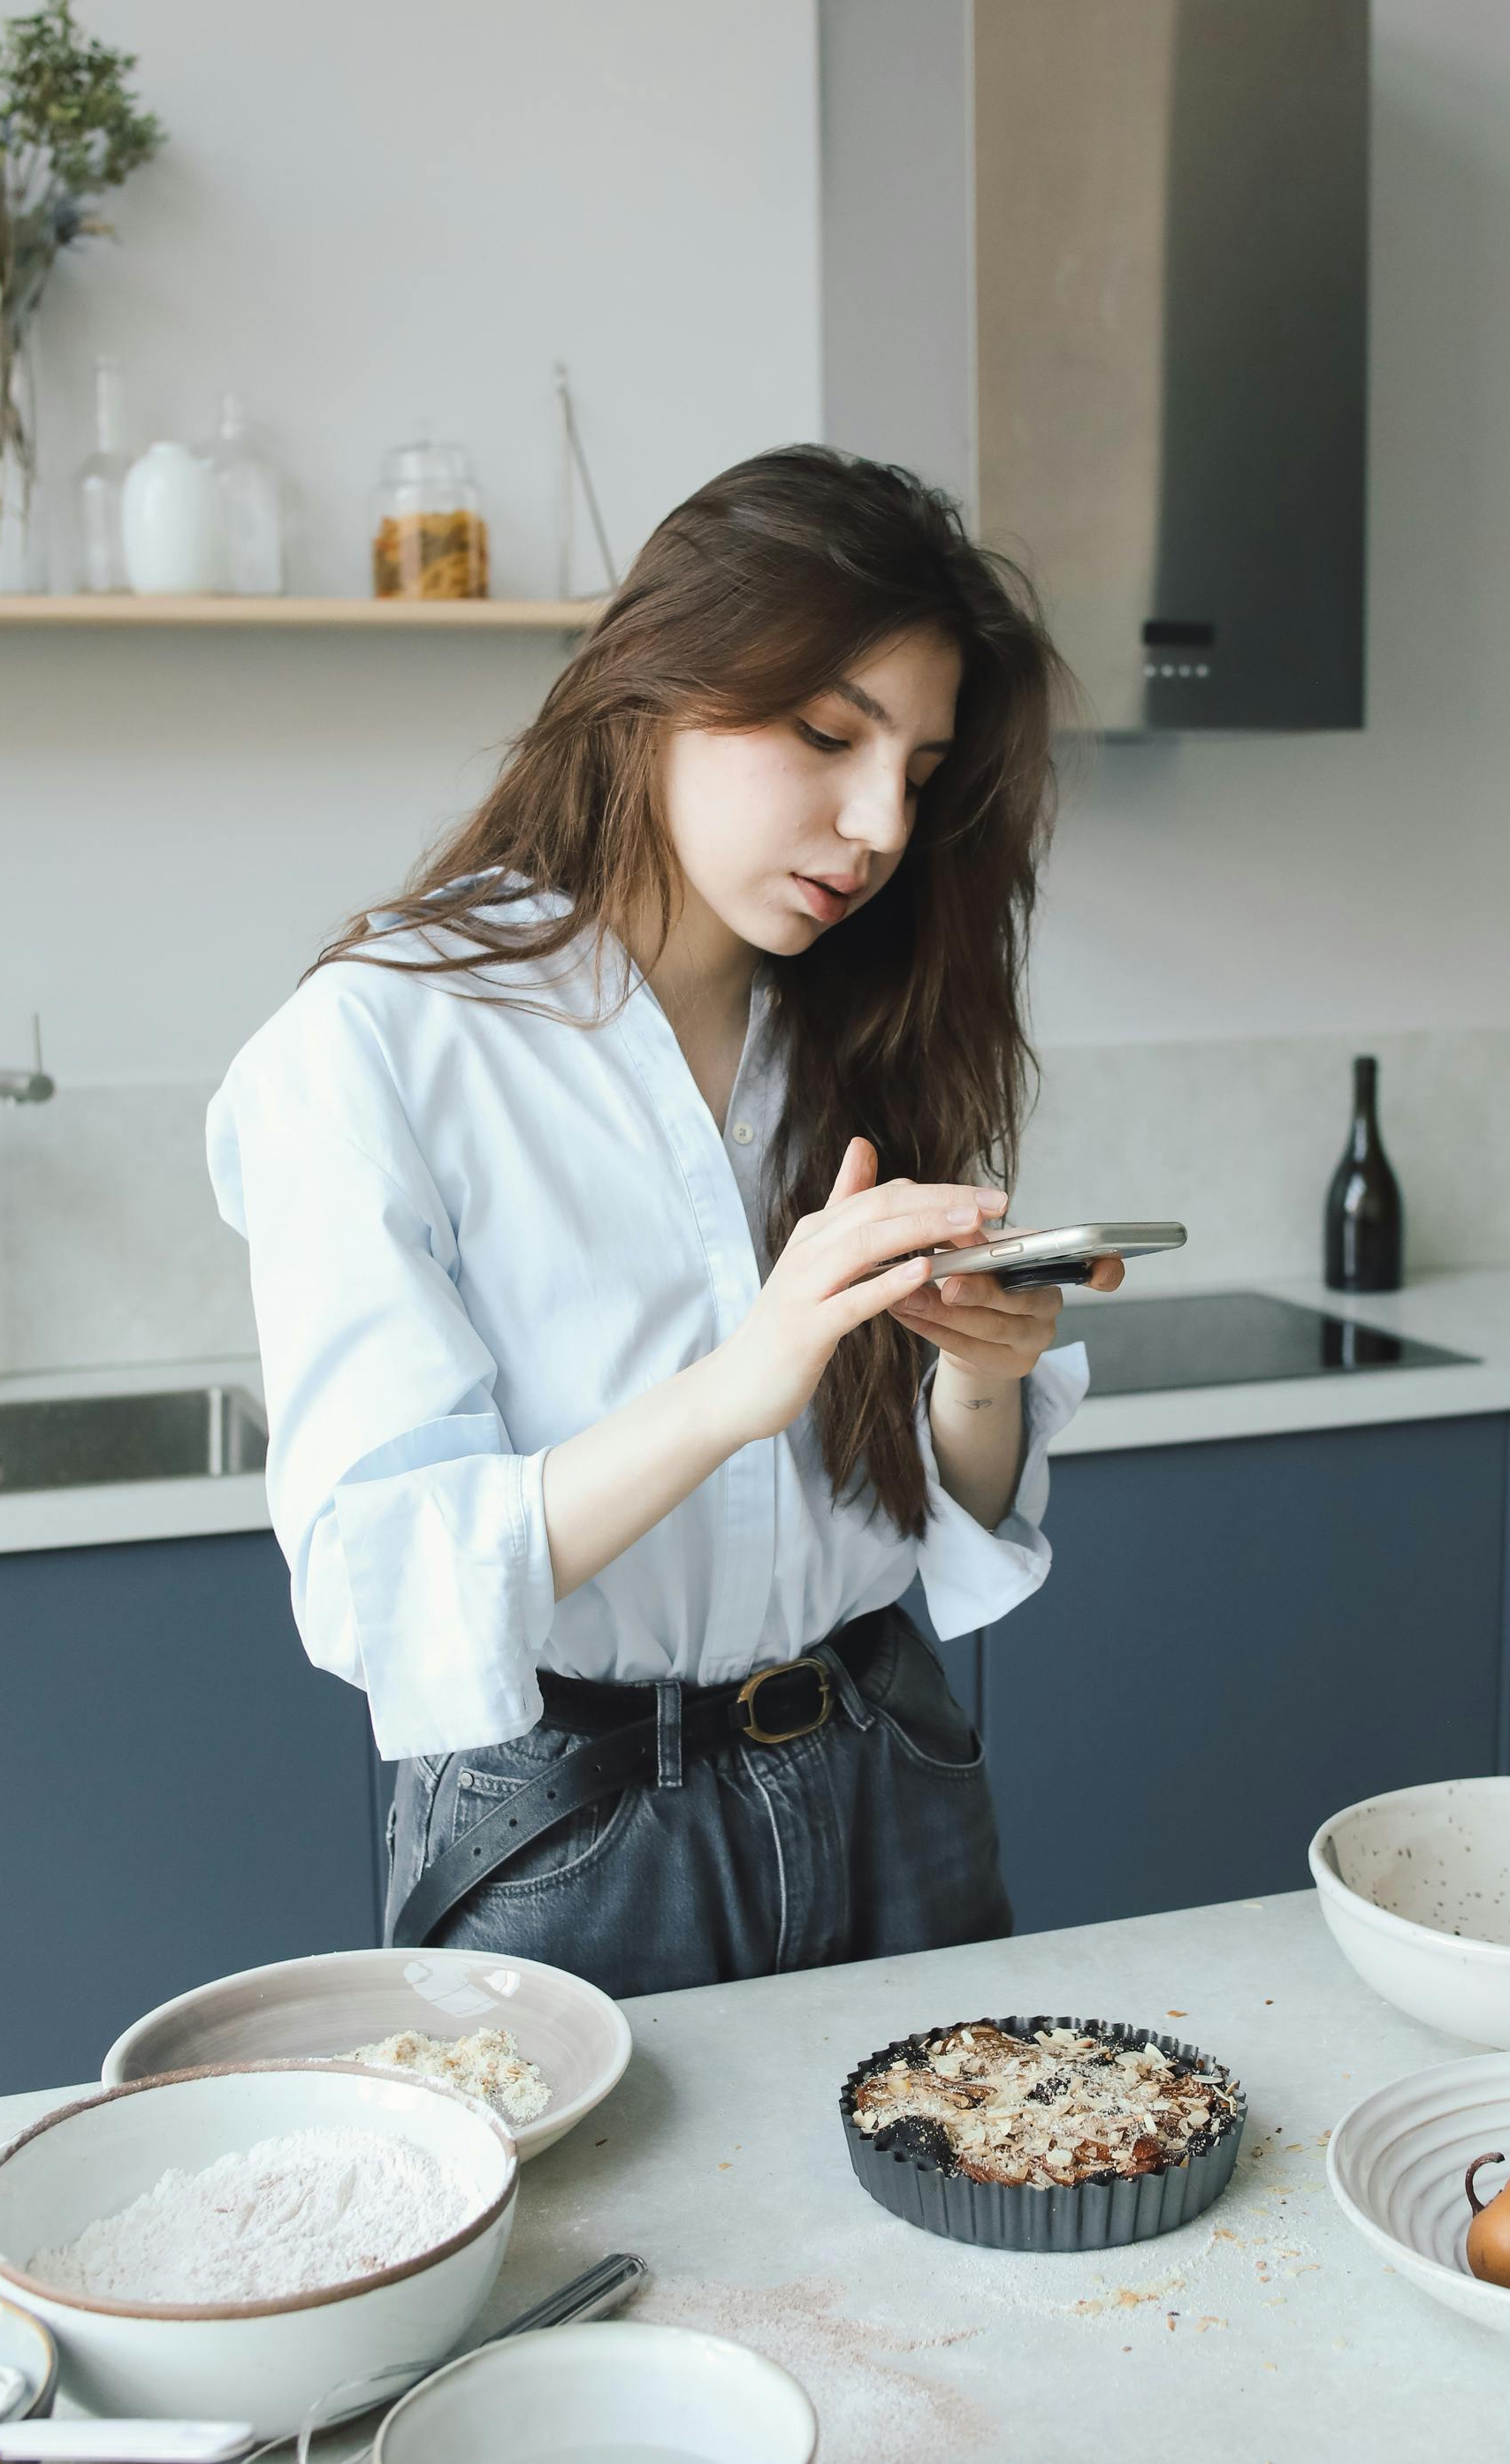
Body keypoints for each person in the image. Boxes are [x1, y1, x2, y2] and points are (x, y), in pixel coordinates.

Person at [206, 445, 1120, 1998]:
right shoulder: (377, 1047)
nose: (879, 824)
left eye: (918, 770)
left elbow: (937, 1527)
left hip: (889, 1753)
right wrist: (730, 1390)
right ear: (656, 681)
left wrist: (976, 1372)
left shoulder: (870, 1025)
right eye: (830, 736)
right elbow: (383, 1584)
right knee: (608, 2252)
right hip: (571, 1829)